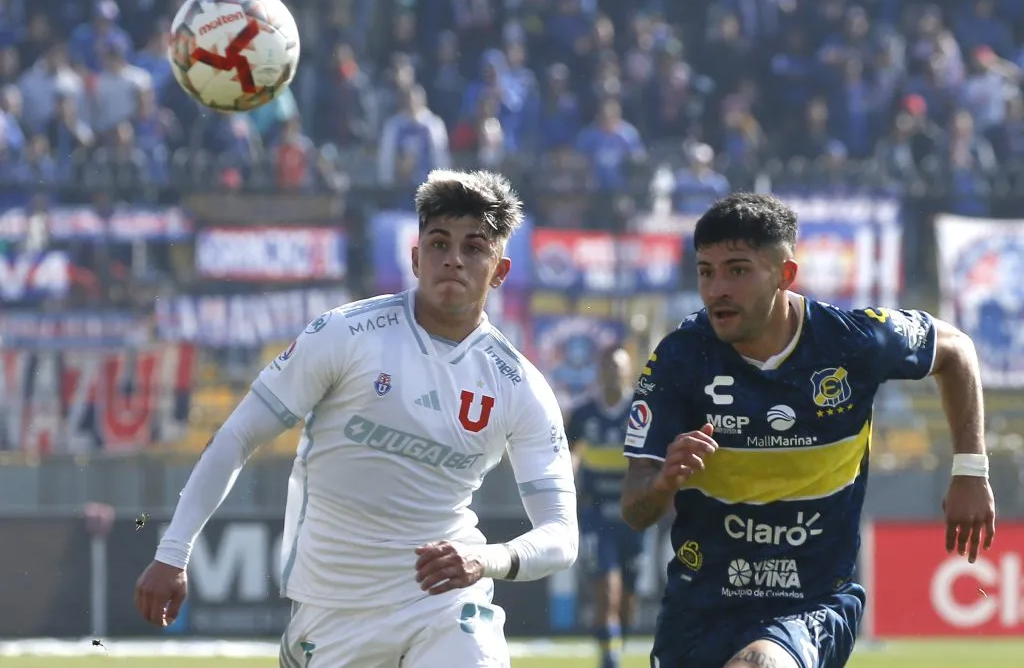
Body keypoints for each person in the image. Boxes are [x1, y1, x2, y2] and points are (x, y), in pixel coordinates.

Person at [134, 169, 579, 667]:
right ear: (415, 257)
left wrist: (484, 561)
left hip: (446, 606)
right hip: (333, 612)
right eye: (438, 243)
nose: (453, 258)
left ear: (499, 270)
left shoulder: (519, 386)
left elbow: (562, 535)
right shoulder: (346, 334)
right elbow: (237, 436)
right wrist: (173, 551)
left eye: (475, 247)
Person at [620, 193, 996, 668]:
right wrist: (664, 481)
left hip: (812, 603)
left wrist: (970, 470)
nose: (717, 289)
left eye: (738, 270)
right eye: (705, 271)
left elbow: (957, 350)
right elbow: (635, 511)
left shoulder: (851, 340)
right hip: (700, 607)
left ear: (785, 274)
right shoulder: (679, 358)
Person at [566, 344, 645, 668]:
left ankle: (618, 645)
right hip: (595, 512)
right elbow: (567, 452)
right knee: (606, 589)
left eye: (619, 367)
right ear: (599, 372)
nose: (613, 373)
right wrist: (568, 474)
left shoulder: (642, 410)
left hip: (633, 514)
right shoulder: (584, 412)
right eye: (608, 367)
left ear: (629, 371)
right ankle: (608, 659)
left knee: (628, 599)